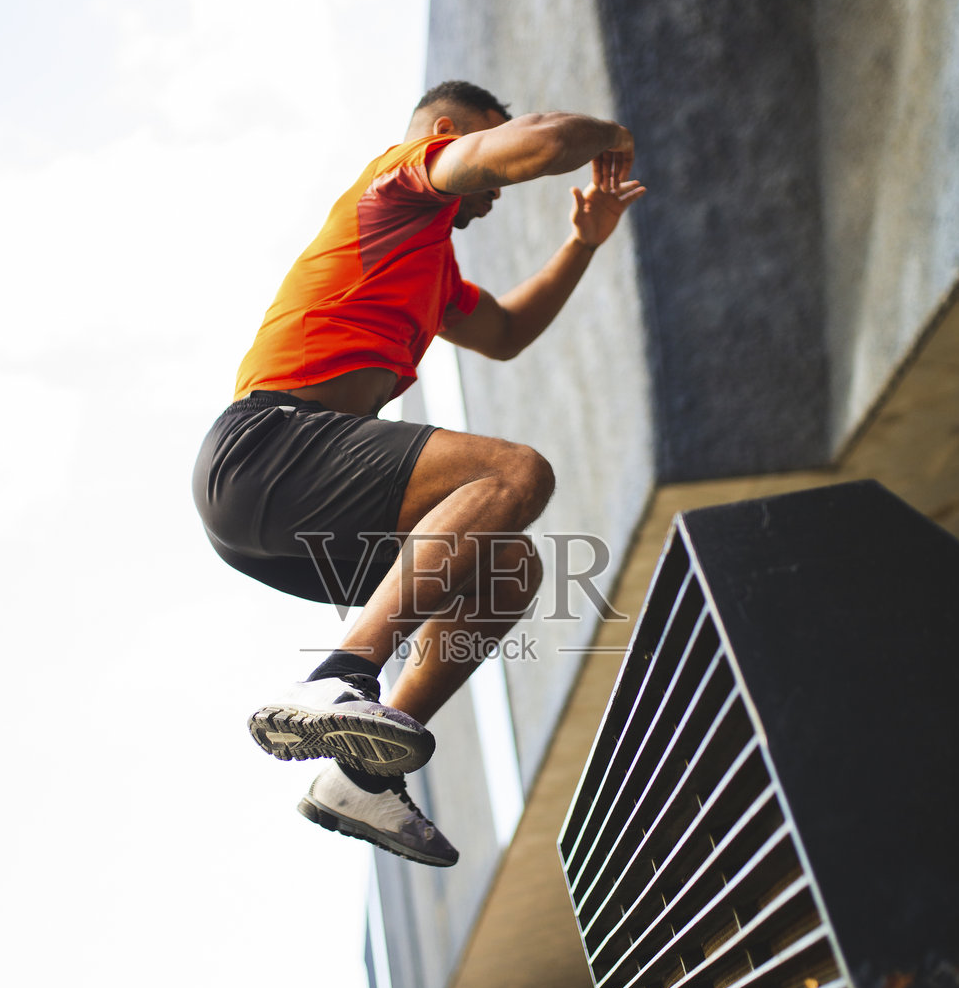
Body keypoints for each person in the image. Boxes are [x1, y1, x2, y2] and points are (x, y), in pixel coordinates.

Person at [193, 80, 644, 868]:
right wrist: (608, 134)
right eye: (486, 149)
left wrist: (584, 241)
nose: (498, 188)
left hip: (274, 516)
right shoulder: (402, 180)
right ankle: (340, 676)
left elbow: (504, 332)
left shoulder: (430, 268)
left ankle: (360, 774)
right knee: (516, 471)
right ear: (447, 133)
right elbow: (537, 145)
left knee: (507, 568)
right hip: (268, 448)